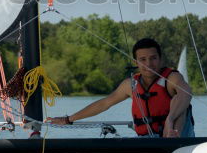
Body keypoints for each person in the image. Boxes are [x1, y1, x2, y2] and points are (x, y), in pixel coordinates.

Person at [46, 38, 194, 137]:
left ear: (160, 59)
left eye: (153, 58)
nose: (149, 64)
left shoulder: (171, 78)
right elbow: (104, 104)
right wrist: (69, 119)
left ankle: (173, 140)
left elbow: (186, 93)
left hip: (177, 136)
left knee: (179, 101)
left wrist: (170, 119)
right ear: (135, 62)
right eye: (143, 59)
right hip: (149, 142)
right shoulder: (130, 84)